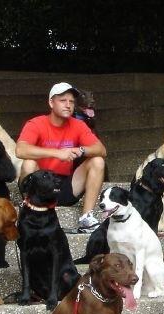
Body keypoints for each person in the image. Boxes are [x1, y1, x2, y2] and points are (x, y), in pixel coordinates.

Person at [16, 82, 107, 233]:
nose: (68, 105)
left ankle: (86, 217)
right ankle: (29, 211)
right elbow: (20, 150)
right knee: (28, 163)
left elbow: (101, 150)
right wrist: (57, 152)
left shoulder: (78, 124)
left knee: (97, 160)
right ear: (51, 102)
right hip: (39, 184)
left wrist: (80, 150)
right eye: (63, 100)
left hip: (64, 185)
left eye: (71, 101)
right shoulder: (36, 123)